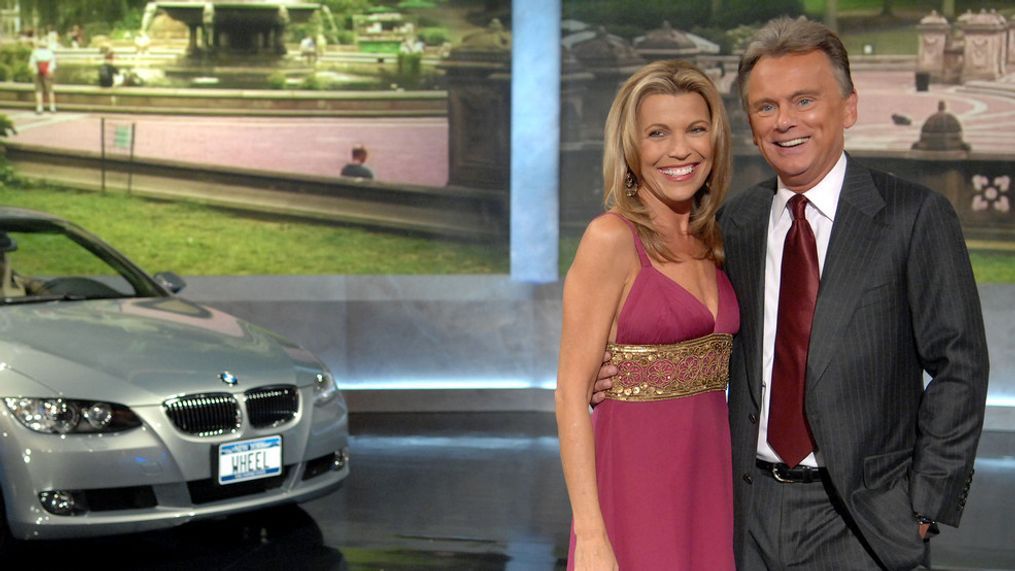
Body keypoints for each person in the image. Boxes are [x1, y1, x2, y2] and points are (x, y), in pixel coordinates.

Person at [592, 17, 989, 570]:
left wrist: (927, 500)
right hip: (743, 512)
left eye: (804, 100)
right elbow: (688, 331)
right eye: (766, 106)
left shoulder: (913, 217)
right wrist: (612, 372)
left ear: (848, 106)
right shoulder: (735, 225)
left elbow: (960, 365)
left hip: (863, 521)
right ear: (750, 124)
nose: (785, 122)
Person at [556, 60, 737, 571]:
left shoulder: (717, 237)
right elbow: (571, 394)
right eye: (658, 133)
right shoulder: (610, 239)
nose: (680, 149)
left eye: (696, 129)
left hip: (711, 486)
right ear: (631, 148)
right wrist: (589, 534)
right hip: (633, 491)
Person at [28, 38, 56, 114]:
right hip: (47, 73)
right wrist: (50, 71)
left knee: (38, 91)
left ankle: (39, 108)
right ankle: (52, 107)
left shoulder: (35, 52)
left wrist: (34, 71)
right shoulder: (50, 53)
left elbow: (31, 64)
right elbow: (53, 65)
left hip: (37, 72)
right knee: (50, 90)